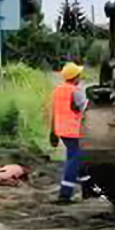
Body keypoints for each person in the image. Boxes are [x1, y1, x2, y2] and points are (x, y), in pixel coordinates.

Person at [49, 62, 91, 205]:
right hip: (73, 130)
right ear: (76, 77)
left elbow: (54, 111)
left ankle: (87, 189)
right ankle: (65, 194)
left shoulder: (58, 90)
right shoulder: (75, 91)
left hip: (61, 130)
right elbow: (86, 107)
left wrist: (52, 132)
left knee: (78, 157)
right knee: (75, 160)